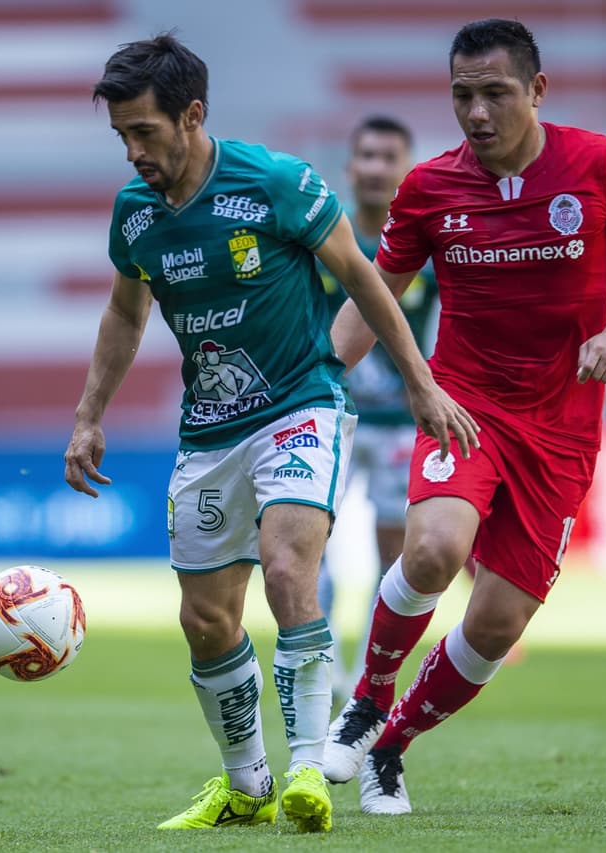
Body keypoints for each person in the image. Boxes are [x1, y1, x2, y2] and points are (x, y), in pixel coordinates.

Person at [62, 34, 478, 832]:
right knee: (206, 619)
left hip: (301, 403)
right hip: (209, 431)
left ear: (192, 115)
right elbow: (125, 309)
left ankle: (309, 767)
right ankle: (246, 781)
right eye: (121, 136)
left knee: (291, 569)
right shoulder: (135, 214)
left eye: (143, 131)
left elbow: (364, 276)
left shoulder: (277, 182)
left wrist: (422, 385)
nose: (133, 151)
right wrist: (89, 413)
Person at [323, 18, 606, 814]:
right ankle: (366, 698)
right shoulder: (429, 188)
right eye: (463, 95)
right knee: (432, 550)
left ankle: (392, 747)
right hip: (465, 403)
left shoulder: (598, 164)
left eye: (495, 94)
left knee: (494, 621)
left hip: (561, 425)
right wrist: (319, 380)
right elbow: (374, 297)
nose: (477, 113)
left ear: (537, 91)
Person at [315, 116, 439, 697]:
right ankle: (316, 662)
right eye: (365, 155)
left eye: (388, 157)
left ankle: (367, 675)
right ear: (350, 166)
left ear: (406, 168)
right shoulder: (322, 236)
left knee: (394, 553)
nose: (375, 168)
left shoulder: (426, 247)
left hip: (396, 425)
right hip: (325, 414)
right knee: (305, 542)